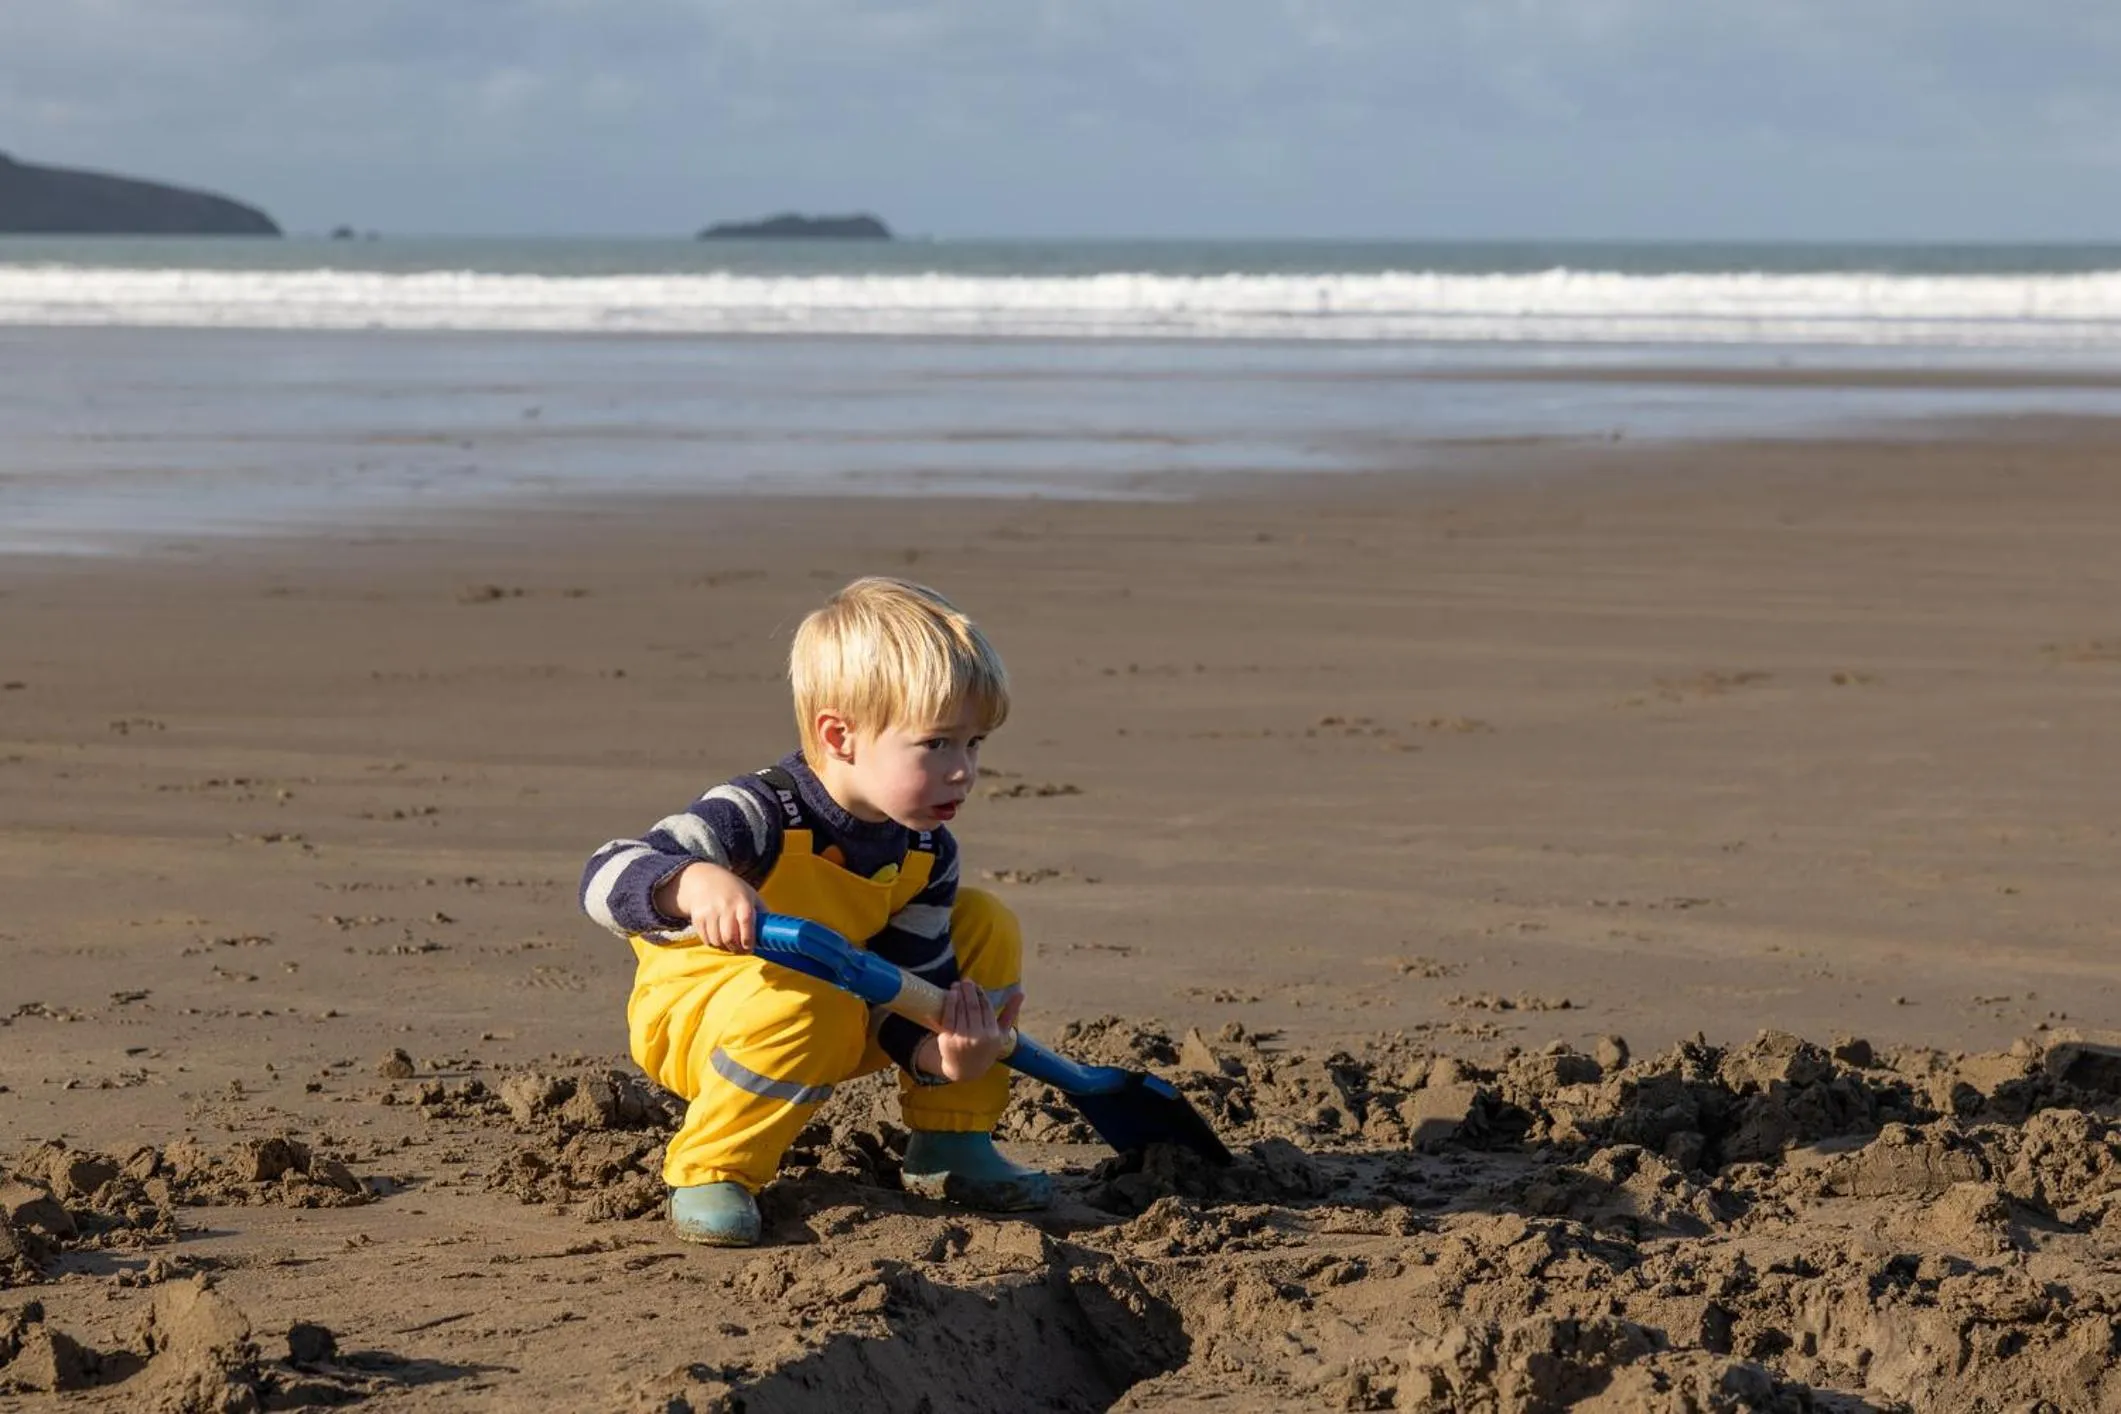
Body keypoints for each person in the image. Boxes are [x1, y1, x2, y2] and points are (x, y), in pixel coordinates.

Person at [579, 576, 1050, 1246]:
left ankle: (951, 1141)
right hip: (703, 1022)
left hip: (841, 1001)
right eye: (936, 744)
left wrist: (935, 1054)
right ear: (840, 735)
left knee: (983, 922)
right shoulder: (756, 813)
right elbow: (605, 873)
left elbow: (910, 987)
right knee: (816, 997)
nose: (963, 771)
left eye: (974, 744)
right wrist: (693, 882)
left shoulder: (925, 851)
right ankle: (713, 1168)